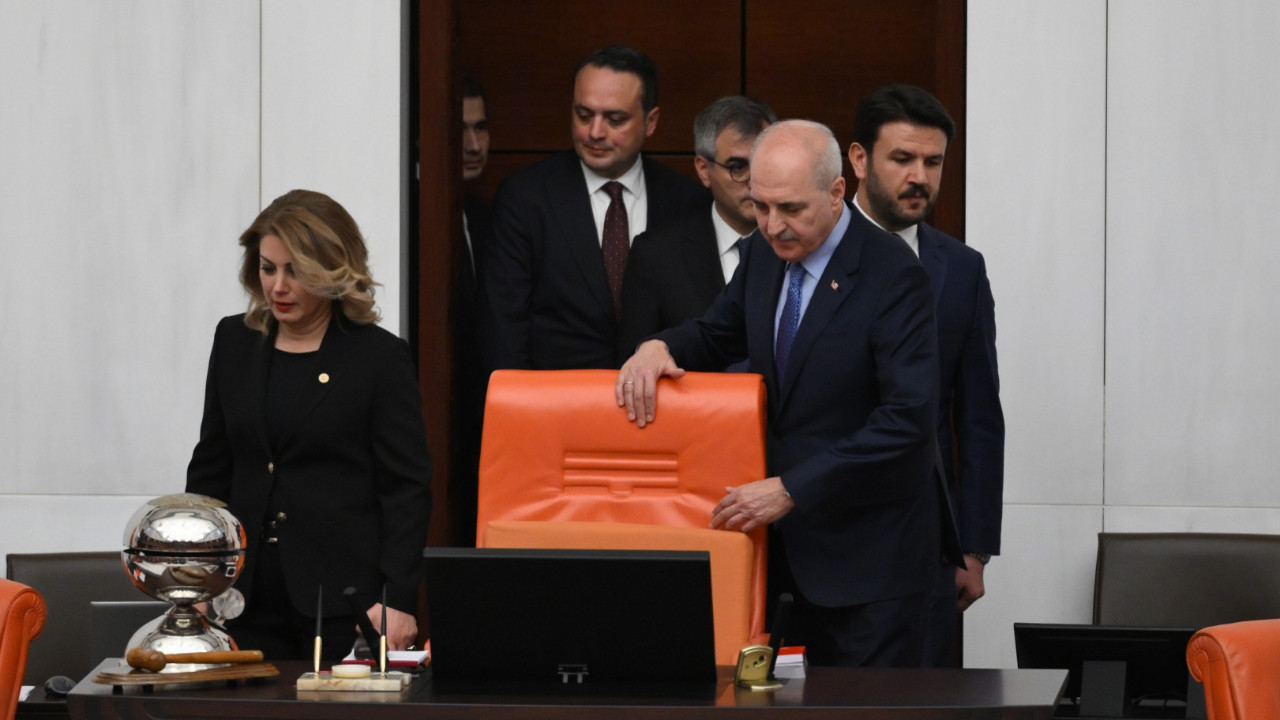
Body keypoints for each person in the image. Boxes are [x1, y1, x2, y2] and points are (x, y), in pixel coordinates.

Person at [617, 121, 955, 667]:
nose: (773, 226)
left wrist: (793, 488)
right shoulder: (763, 254)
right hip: (784, 564)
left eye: (791, 209)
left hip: (870, 568)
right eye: (760, 206)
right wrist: (660, 346)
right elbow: (717, 333)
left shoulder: (893, 273)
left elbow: (906, 420)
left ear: (837, 192)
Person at [186, 189, 433, 660]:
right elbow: (211, 469)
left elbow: (406, 489)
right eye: (268, 268)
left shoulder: (379, 358)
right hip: (242, 599)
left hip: (346, 604)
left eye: (295, 271)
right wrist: (197, 578)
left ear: (333, 269)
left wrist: (397, 598)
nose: (278, 287)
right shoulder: (234, 341)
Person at [847, 84, 1004, 667]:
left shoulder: (961, 268)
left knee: (924, 695)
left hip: (926, 543)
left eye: (933, 162)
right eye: (902, 159)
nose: (920, 177)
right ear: (859, 159)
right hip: (820, 530)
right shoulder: (804, 249)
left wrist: (975, 547)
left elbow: (979, 416)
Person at [482, 45, 707, 371]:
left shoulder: (685, 202)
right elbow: (505, 331)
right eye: (584, 115)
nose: (595, 132)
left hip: (661, 397)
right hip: (557, 398)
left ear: (651, 121)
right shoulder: (526, 199)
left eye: (615, 119)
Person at [619, 95, 775, 354]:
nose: (754, 181)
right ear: (704, 169)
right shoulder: (656, 256)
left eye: (763, 165)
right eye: (738, 167)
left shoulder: (800, 243)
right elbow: (635, 363)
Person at [453, 75, 491, 546]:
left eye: (480, 128)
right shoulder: (410, 215)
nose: (473, 144)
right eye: (460, 130)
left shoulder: (486, 217)